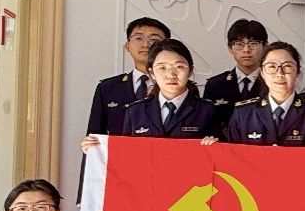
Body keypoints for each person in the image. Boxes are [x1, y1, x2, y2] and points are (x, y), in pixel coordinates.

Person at [86, 38, 219, 144]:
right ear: (152, 73)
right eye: (162, 68)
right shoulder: (135, 111)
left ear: (190, 71)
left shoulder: (209, 110)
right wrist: (95, 148)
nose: (171, 75)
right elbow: (125, 153)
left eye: (179, 67)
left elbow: (222, 157)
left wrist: (215, 146)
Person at [214, 41, 305, 146]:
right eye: (272, 67)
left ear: (298, 72)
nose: (280, 74)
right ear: (262, 72)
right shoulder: (243, 114)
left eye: (287, 66)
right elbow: (232, 156)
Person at [84, 17, 169, 135]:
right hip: (119, 147)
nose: (146, 44)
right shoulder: (108, 88)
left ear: (167, 47)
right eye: (138, 38)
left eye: (154, 39)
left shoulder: (178, 86)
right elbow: (95, 135)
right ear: (127, 46)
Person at [203, 19, 268, 131]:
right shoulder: (215, 84)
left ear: (265, 46)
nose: (246, 50)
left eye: (253, 43)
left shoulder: (273, 83)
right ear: (230, 48)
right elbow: (208, 123)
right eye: (239, 44)